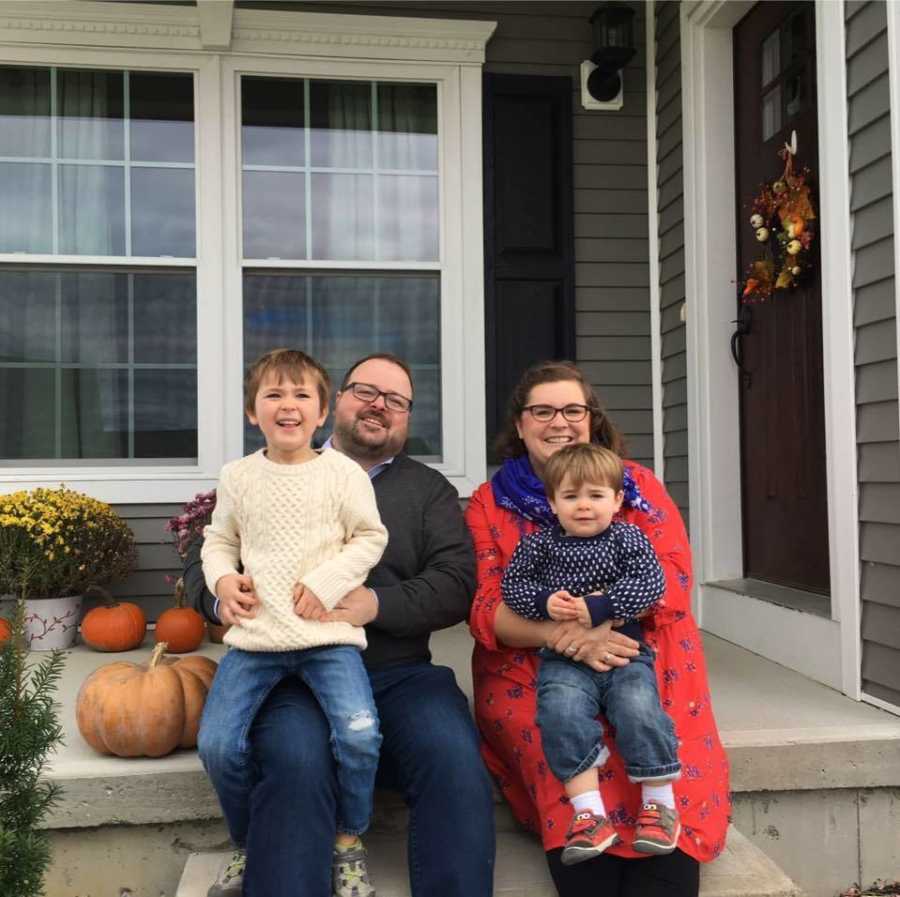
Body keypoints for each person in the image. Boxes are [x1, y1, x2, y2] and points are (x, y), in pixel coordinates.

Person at [184, 352, 495, 897]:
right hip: (290, 672)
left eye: (395, 401)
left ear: (407, 418)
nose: (379, 406)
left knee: (451, 757)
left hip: (399, 671)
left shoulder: (429, 491)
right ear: (337, 404)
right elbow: (206, 552)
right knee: (297, 762)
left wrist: (376, 604)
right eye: (366, 391)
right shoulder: (262, 469)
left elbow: (456, 584)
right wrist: (219, 599)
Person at [466, 360, 730, 897]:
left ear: (592, 420)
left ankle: (663, 833)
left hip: (641, 646)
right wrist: (566, 637)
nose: (558, 421)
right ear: (519, 424)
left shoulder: (636, 487)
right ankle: (585, 832)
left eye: (572, 410)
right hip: (534, 663)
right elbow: (488, 606)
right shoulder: (489, 504)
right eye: (542, 410)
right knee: (557, 720)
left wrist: (598, 623)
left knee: (647, 716)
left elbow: (672, 581)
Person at [198, 348, 388, 897]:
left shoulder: (344, 474)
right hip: (255, 638)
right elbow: (219, 540)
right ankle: (246, 841)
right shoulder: (238, 477)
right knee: (217, 744)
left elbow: (370, 537)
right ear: (252, 413)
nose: (288, 405)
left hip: (327, 638)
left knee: (359, 735)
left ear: (323, 411)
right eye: (274, 395)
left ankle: (348, 841)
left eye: (302, 395)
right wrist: (221, 581)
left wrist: (328, 583)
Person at [502, 443, 682, 864]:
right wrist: (545, 603)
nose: (583, 506)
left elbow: (650, 583)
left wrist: (602, 606)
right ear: (552, 502)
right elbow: (514, 589)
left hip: (625, 652)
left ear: (617, 500)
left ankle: (659, 803)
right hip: (562, 659)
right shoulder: (539, 545)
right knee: (558, 713)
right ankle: (589, 815)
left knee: (637, 706)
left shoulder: (627, 538)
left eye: (596, 496)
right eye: (570, 496)